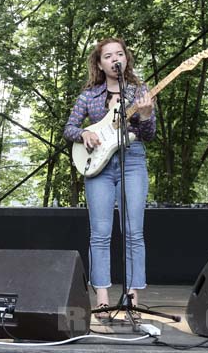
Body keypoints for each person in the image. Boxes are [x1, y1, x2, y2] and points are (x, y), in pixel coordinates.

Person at [64, 37, 155, 320]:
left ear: (126, 59)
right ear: (100, 64)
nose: (115, 58)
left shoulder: (140, 91)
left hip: (133, 161)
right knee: (100, 234)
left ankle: (132, 297)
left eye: (120, 54)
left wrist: (147, 115)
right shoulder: (88, 96)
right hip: (99, 167)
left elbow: (149, 135)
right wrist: (84, 134)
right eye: (108, 56)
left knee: (133, 233)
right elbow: (69, 128)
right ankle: (102, 298)